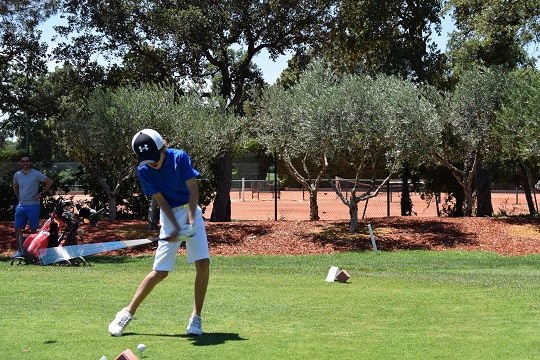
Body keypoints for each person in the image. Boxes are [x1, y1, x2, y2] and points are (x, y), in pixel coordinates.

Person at [108, 129, 210, 337]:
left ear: (163, 146)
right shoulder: (144, 170)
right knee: (161, 271)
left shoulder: (179, 157)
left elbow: (193, 190)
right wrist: (175, 225)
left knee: (203, 263)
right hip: (169, 215)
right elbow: (161, 200)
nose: (153, 163)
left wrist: (190, 221)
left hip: (191, 211)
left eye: (155, 158)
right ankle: (127, 312)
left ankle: (196, 317)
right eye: (148, 160)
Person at [12, 154, 54, 258]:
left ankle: (32, 251)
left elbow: (49, 182)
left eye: (27, 161)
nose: (25, 163)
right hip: (21, 206)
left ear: (30, 162)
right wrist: (19, 198)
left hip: (33, 206)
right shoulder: (17, 174)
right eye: (23, 161)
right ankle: (20, 251)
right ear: (20, 163)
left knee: (33, 229)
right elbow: (15, 187)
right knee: (18, 228)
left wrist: (41, 194)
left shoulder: (36, 174)